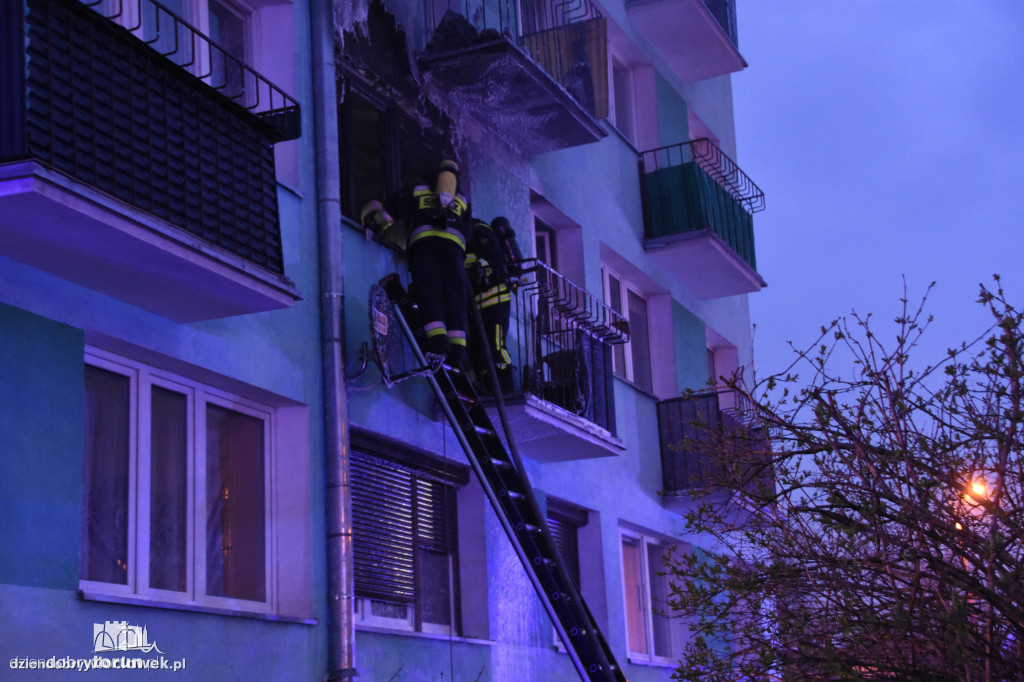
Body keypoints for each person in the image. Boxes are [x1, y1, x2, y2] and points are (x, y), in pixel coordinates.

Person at [362, 159, 472, 369]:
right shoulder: (463, 199)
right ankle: (457, 353)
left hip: (426, 247)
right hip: (455, 254)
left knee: (429, 293)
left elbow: (392, 210)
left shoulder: (418, 188)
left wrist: (373, 225)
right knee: (455, 300)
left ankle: (438, 346)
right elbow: (468, 232)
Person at [465, 216, 517, 392]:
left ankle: (505, 386)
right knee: (479, 348)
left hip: (495, 298)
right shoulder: (460, 236)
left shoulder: (478, 230)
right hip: (477, 306)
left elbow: (493, 255)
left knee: (495, 345)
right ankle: (488, 385)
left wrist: (478, 269)